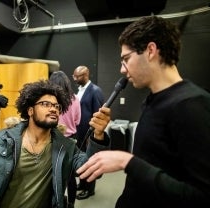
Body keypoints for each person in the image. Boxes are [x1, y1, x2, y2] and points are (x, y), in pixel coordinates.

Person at [76, 16, 210, 207]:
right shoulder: (153, 100)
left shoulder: (192, 105)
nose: (122, 69)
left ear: (151, 50)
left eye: (126, 59)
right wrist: (99, 134)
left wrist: (128, 162)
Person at [0, 80, 111, 208]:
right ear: (30, 110)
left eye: (57, 106)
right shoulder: (2, 139)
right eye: (45, 104)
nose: (53, 108)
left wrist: (98, 135)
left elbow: (91, 171)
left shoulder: (66, 146)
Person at [49, 71, 81, 208]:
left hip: (53, 139)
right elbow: (77, 120)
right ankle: (71, 204)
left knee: (53, 174)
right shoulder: (75, 99)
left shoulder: (50, 101)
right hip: (71, 140)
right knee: (70, 177)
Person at [72, 65, 104, 200]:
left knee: (90, 161)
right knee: (82, 160)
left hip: (89, 134)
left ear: (85, 76)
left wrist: (92, 136)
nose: (74, 78)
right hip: (80, 133)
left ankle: (89, 189)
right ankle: (82, 183)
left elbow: (98, 116)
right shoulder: (79, 90)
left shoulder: (95, 91)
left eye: (77, 76)